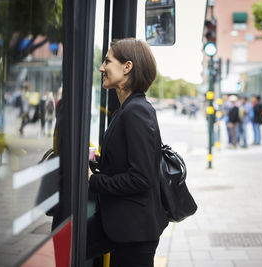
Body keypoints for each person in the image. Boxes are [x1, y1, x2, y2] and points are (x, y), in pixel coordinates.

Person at [86, 38, 168, 266]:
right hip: (118, 223)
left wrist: (94, 181)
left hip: (135, 232)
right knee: (65, 248)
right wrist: (96, 160)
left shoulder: (136, 112)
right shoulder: (127, 110)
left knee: (64, 249)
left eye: (107, 61)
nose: (102, 68)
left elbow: (141, 177)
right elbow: (126, 161)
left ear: (127, 67)